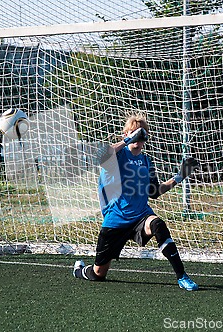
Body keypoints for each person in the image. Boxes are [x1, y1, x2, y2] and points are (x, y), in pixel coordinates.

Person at [72, 114, 201, 291]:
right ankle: (79, 270)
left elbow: (154, 192)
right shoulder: (117, 155)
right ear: (125, 134)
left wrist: (180, 176)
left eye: (141, 134)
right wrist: (127, 140)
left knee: (158, 225)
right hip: (116, 219)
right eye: (134, 132)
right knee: (98, 274)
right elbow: (100, 156)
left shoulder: (146, 160)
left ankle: (182, 276)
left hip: (141, 215)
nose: (138, 138)